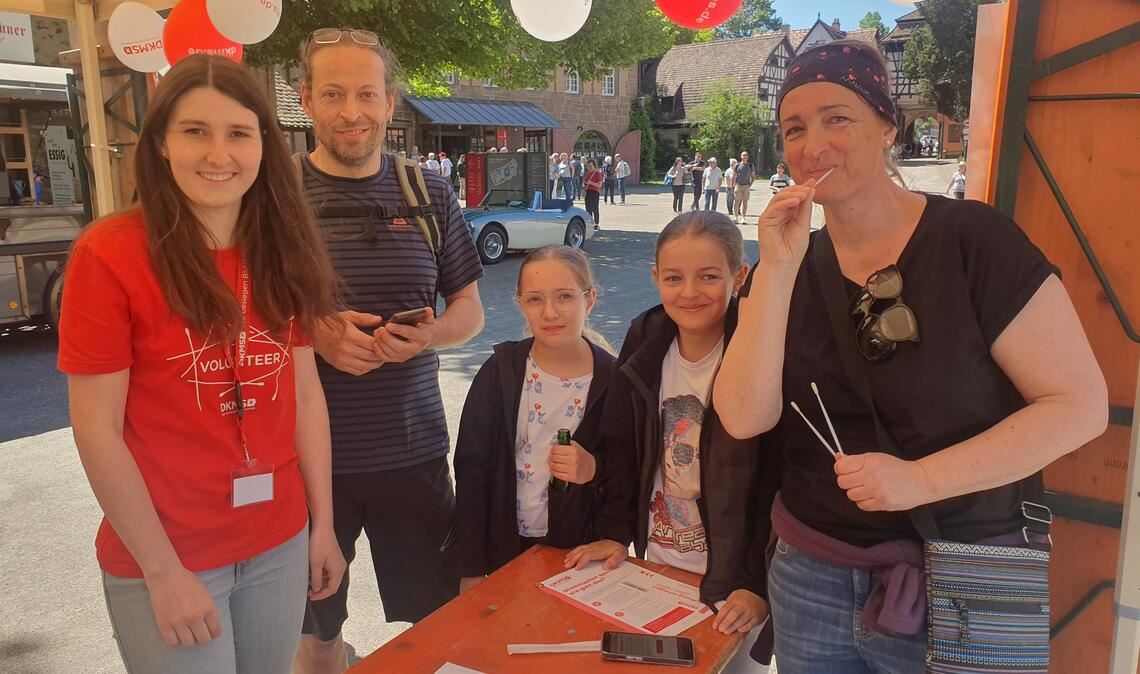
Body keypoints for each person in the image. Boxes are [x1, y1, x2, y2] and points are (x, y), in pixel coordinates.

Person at [714, 39, 1107, 673]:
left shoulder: (973, 242)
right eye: (794, 127)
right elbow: (743, 417)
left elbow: (1079, 406)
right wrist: (778, 271)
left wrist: (920, 480)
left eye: (836, 118)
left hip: (964, 575)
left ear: (886, 127)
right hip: (811, 574)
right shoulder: (788, 268)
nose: (812, 143)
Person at [58, 54, 345, 674]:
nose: (219, 154)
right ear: (161, 142)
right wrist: (162, 571)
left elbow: (305, 399)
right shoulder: (111, 256)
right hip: (171, 553)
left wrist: (323, 523)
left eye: (239, 133)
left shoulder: (281, 249)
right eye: (196, 131)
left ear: (264, 145)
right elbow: (96, 429)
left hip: (278, 541)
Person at [294, 28, 486, 673]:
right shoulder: (275, 199)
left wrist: (428, 335)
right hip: (307, 464)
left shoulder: (428, 192)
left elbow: (470, 312)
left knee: (436, 622)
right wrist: (310, 328)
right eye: (333, 93)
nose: (352, 111)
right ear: (306, 101)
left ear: (390, 101)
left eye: (366, 94)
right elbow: (233, 313)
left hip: (413, 452)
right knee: (316, 632)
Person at [566, 211, 777, 674]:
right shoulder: (646, 338)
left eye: (708, 277)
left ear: (739, 276)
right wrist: (614, 532)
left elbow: (777, 478)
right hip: (661, 560)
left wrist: (757, 584)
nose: (689, 292)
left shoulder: (761, 347)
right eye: (674, 277)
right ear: (655, 277)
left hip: (736, 582)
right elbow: (624, 447)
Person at [454, 246, 617, 591]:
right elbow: (472, 473)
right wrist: (469, 566)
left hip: (582, 554)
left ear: (590, 300)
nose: (550, 312)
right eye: (535, 299)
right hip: (504, 548)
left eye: (565, 297)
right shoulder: (499, 374)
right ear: (520, 304)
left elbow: (633, 473)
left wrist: (594, 469)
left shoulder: (615, 382)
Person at [733, 151, 755, 224]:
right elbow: (734, 176)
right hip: (738, 186)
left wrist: (750, 185)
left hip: (746, 186)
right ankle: (735, 217)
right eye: (743, 155)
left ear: (748, 157)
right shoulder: (737, 165)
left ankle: (743, 218)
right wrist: (732, 185)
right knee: (737, 202)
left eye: (746, 155)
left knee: (745, 202)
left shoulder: (750, 165)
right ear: (741, 156)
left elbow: (753, 176)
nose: (745, 156)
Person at [582, 158, 603, 228]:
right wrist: (584, 184)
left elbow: (599, 185)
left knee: (594, 208)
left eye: (590, 166)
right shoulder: (587, 173)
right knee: (588, 208)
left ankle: (596, 223)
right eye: (587, 166)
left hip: (594, 192)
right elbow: (584, 183)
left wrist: (591, 183)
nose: (589, 168)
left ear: (594, 166)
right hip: (587, 191)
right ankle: (590, 222)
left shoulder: (597, 174)